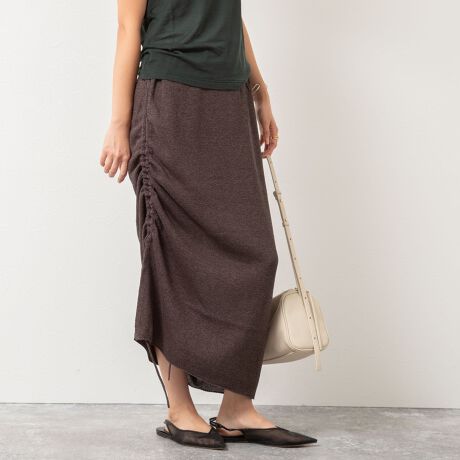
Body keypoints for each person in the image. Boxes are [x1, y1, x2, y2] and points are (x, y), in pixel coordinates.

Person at [99, 0, 317, 450]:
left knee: (257, 253)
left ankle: (237, 408)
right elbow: (127, 28)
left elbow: (232, 18)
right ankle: (179, 409)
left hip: (230, 100)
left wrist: (260, 91)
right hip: (168, 103)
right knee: (171, 256)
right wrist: (119, 124)